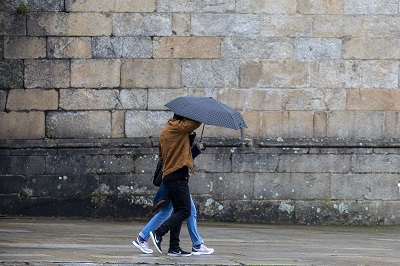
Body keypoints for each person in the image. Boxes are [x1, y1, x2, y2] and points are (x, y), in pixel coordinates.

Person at [132, 132, 214, 256]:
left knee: (180, 211)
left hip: (175, 179)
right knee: (181, 211)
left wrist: (194, 144)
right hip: (174, 181)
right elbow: (180, 158)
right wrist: (196, 149)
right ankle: (144, 238)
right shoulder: (178, 135)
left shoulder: (180, 134)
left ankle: (177, 246)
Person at [148, 114, 203, 256]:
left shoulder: (165, 130)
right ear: (183, 119)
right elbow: (194, 123)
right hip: (178, 176)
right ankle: (158, 233)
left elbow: (162, 157)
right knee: (185, 211)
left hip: (170, 175)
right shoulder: (178, 128)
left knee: (178, 210)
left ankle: (174, 247)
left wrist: (192, 146)